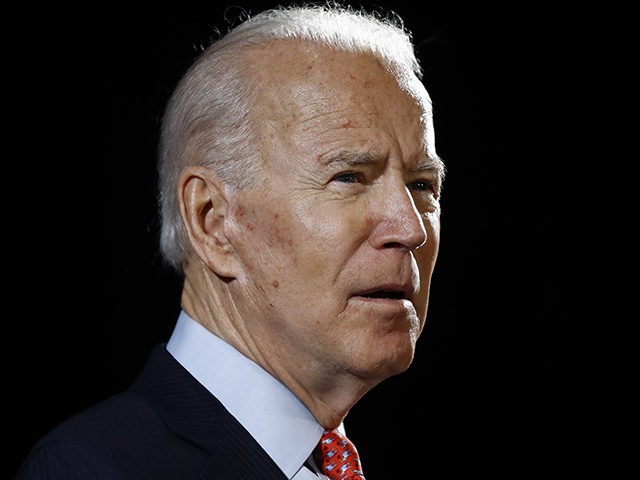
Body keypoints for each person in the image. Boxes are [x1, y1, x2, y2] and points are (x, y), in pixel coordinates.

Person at [16, 2, 446, 478]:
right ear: (212, 222)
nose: (411, 228)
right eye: (349, 177)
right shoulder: (93, 468)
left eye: (423, 185)